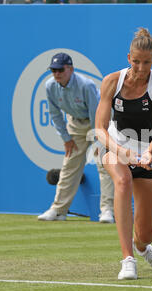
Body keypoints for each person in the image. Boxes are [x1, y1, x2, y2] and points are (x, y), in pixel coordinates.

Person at [95, 27, 152, 280]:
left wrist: (149, 153)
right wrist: (121, 151)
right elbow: (99, 128)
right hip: (114, 145)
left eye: (146, 62)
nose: (141, 68)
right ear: (128, 58)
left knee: (146, 233)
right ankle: (128, 259)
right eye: (136, 61)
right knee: (122, 180)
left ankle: (142, 248)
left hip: (147, 151)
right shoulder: (111, 82)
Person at [38, 52, 114, 223]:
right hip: (75, 124)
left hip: (98, 122)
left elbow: (96, 113)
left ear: (70, 69)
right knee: (69, 165)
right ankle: (59, 210)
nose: (56, 74)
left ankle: (107, 210)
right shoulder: (50, 86)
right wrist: (66, 139)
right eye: (53, 70)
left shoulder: (85, 85)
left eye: (60, 70)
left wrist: (98, 140)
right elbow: (55, 114)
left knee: (104, 164)